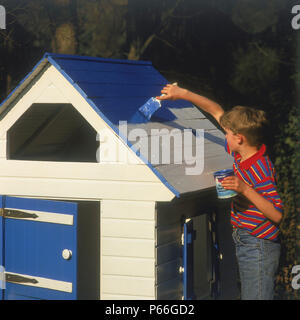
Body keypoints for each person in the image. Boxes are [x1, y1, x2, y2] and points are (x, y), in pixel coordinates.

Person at [157, 84, 283, 300]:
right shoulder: (241, 155)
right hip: (246, 239)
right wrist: (183, 94)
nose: (224, 137)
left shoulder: (259, 168)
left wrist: (244, 189)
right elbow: (216, 110)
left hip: (259, 245)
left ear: (239, 138)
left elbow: (277, 215)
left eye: (226, 134)